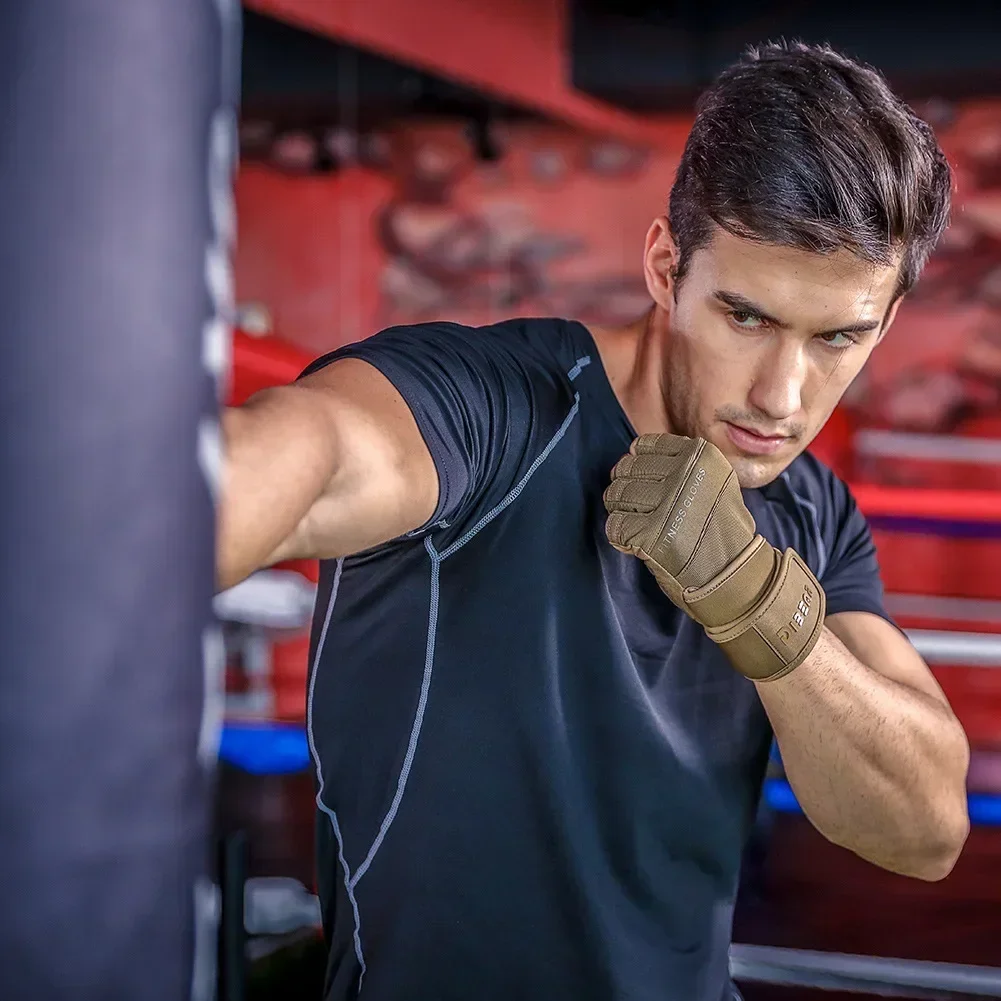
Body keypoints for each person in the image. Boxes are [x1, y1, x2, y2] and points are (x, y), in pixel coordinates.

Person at [219, 42, 971, 1001]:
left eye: (836, 338)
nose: (782, 395)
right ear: (665, 266)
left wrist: (752, 602)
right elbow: (312, 453)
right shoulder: (495, 411)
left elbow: (922, 826)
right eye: (744, 317)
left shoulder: (808, 509)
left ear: (886, 319)